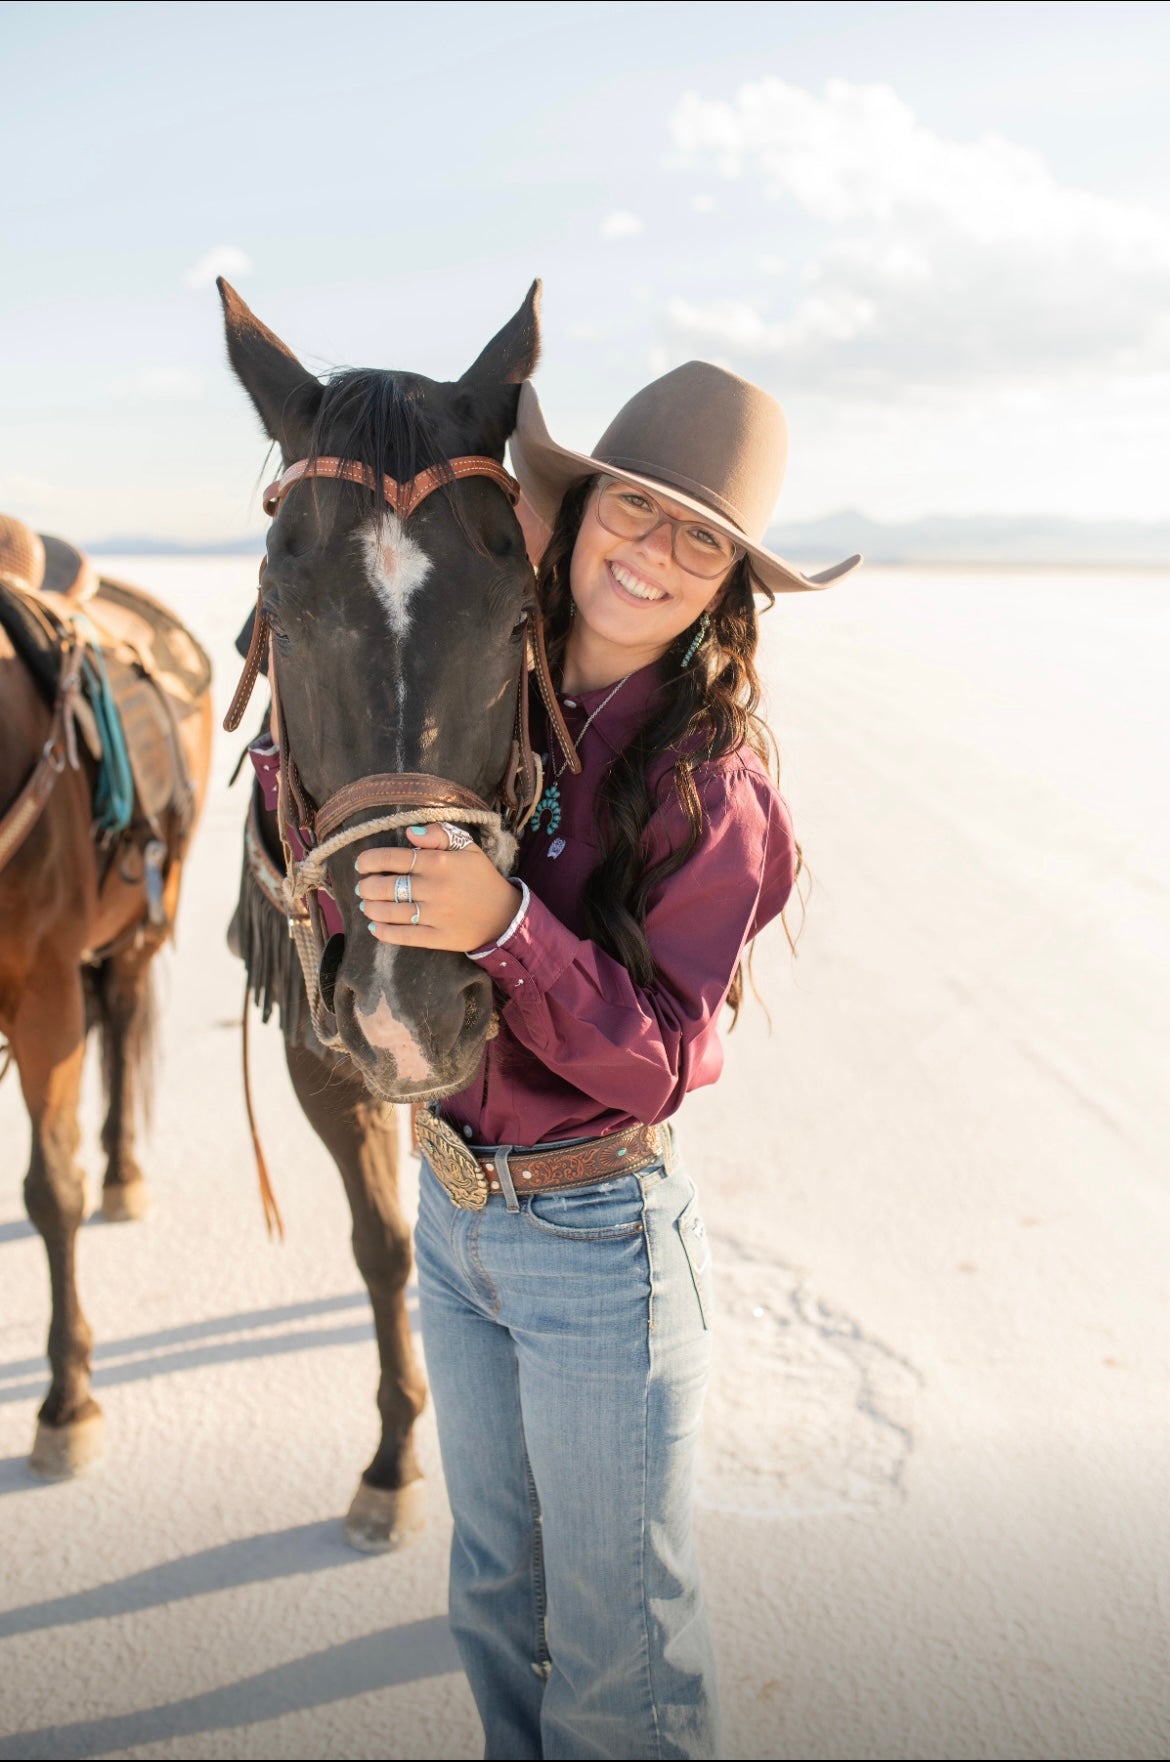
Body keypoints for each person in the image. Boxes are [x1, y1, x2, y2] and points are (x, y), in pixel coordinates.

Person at [355, 361, 860, 1759]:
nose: (652, 554)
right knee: (491, 1598)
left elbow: (657, 1060)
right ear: (572, 514)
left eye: (699, 539)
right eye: (634, 510)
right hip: (453, 1212)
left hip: (594, 1243)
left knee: (617, 1652)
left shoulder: (712, 776)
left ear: (726, 586)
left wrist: (508, 923)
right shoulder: (480, 694)